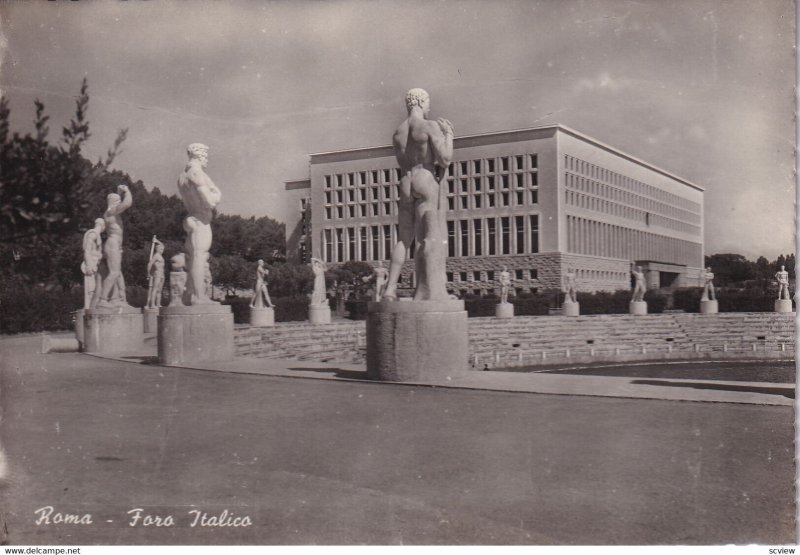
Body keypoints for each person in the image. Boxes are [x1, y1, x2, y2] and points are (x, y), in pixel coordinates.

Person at [382, 88, 454, 302]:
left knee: (404, 238)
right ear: (421, 102)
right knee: (429, 236)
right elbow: (445, 159)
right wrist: (449, 134)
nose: (430, 107)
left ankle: (389, 290)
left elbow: (401, 159)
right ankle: (430, 291)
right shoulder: (429, 126)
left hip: (405, 180)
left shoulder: (398, 132)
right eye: (429, 103)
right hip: (425, 177)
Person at [177, 143, 222, 305]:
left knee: (192, 258)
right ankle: (198, 296)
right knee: (199, 257)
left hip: (191, 217)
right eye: (205, 156)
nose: (207, 159)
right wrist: (217, 195)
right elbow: (210, 201)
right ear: (199, 156)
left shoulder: (182, 176)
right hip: (201, 220)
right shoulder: (197, 174)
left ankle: (189, 294)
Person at [95, 184, 133, 308]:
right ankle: (103, 300)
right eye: (117, 201)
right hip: (112, 244)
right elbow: (127, 204)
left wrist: (119, 193)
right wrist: (127, 191)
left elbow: (122, 204)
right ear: (113, 202)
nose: (119, 203)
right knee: (114, 272)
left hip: (115, 245)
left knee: (118, 274)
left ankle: (116, 299)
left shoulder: (112, 213)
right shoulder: (111, 212)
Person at [82, 218, 105, 309]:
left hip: (96, 264)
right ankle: (90, 307)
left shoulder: (97, 235)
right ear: (102, 225)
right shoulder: (93, 234)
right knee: (91, 289)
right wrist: (89, 265)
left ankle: (94, 306)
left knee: (96, 287)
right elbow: (87, 251)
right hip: (92, 265)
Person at [146, 238, 165, 309]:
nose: (162, 250)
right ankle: (152, 304)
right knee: (155, 288)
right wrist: (148, 273)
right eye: (160, 249)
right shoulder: (156, 255)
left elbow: (163, 245)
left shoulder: (160, 255)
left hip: (162, 274)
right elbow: (149, 264)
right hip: (157, 273)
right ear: (157, 249)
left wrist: (157, 240)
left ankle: (158, 303)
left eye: (162, 249)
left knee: (159, 290)